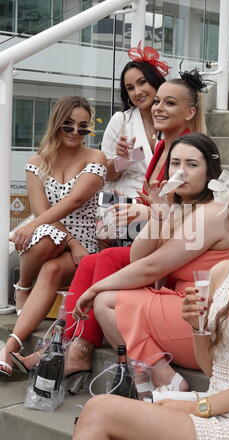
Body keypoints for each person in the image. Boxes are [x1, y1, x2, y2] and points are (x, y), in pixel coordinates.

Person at [66, 166, 229, 440]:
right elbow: (210, 368)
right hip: (215, 406)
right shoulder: (222, 271)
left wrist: (199, 406)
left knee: (100, 411)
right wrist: (196, 327)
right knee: (98, 422)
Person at [11, 71, 210, 381]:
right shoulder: (160, 148)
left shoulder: (189, 152)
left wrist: (146, 214)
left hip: (180, 255)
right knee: (93, 260)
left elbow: (196, 216)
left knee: (100, 259)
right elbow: (124, 178)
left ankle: (80, 348)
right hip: (155, 241)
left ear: (190, 112)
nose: (157, 107)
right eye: (157, 101)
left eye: (168, 102)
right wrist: (139, 209)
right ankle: (65, 343)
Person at [65, 133, 229, 391]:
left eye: (192, 165)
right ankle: (163, 377)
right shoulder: (182, 208)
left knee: (105, 302)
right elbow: (138, 257)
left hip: (204, 320)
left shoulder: (212, 213)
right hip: (187, 311)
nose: (181, 172)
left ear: (209, 172)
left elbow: (153, 267)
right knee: (110, 295)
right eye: (176, 163)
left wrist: (95, 288)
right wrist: (158, 216)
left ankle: (161, 377)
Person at [0, 95, 107, 377]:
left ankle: (8, 348)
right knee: (47, 236)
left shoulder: (95, 158)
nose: (75, 132)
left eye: (83, 127)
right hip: (53, 235)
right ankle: (22, 288)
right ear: (57, 124)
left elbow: (73, 201)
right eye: (68, 125)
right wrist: (64, 239)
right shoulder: (37, 162)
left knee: (49, 268)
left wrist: (70, 242)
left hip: (84, 242)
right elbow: (40, 210)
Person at [102, 42, 169, 198]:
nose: (137, 92)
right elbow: (106, 175)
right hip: (122, 200)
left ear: (155, 81)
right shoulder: (121, 120)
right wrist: (123, 159)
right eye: (130, 88)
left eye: (142, 82)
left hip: (162, 202)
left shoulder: (173, 118)